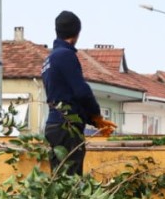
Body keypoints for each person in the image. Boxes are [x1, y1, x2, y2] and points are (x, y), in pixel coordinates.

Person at [41, 10, 116, 175]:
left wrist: (93, 121)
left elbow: (66, 97)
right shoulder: (65, 55)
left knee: (59, 179)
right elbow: (81, 92)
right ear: (77, 33)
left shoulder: (49, 60)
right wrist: (96, 116)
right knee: (71, 180)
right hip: (67, 128)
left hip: (54, 126)